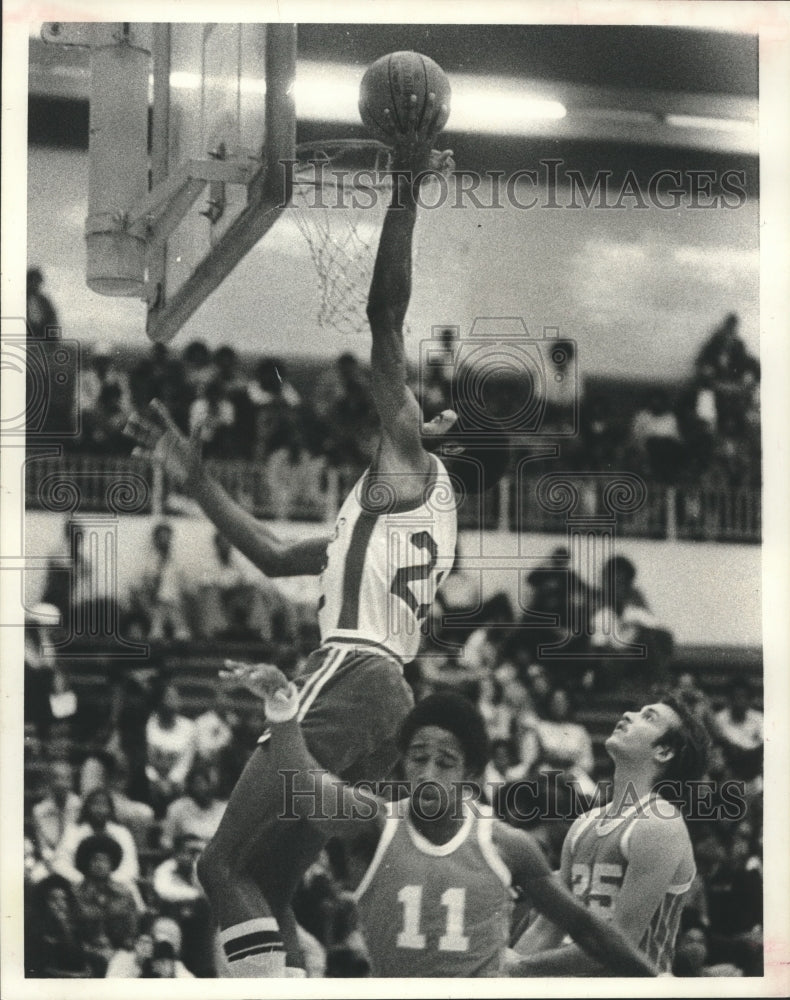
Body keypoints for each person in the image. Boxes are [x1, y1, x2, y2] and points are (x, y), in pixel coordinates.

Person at [129, 94, 510, 976]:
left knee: (216, 864)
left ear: (435, 432)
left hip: (352, 674)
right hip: (386, 695)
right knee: (263, 878)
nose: (414, 405)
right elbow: (270, 555)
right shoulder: (385, 516)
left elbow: (384, 318)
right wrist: (197, 484)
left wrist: (406, 185)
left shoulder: (408, 469)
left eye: (428, 409)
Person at [226, 665, 656, 977]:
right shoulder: (374, 825)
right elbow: (302, 779)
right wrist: (282, 709)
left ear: (470, 774)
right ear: (404, 766)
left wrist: (662, 984)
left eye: (445, 762)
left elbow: (588, 931)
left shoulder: (506, 845)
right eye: (419, 758)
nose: (429, 773)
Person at [511, 693, 709, 975]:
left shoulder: (660, 825)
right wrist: (502, 972)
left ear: (663, 751)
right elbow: (548, 927)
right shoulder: (584, 823)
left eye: (648, 717)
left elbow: (619, 946)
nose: (629, 715)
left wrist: (520, 965)